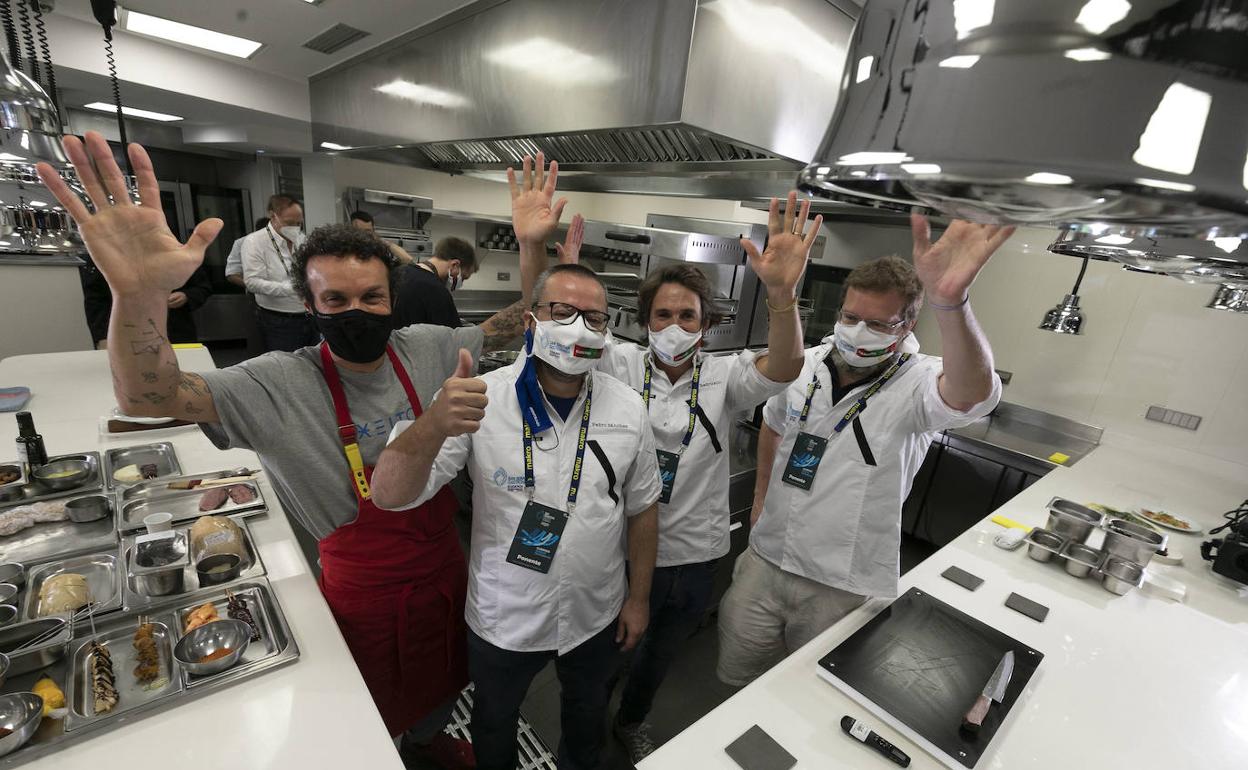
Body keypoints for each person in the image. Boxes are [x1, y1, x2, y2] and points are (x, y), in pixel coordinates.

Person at [36, 132, 569, 769]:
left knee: (445, 678)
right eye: (335, 300)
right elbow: (151, 396)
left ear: (392, 299)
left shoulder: (426, 347)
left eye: (372, 298)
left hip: (442, 565)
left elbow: (527, 319)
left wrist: (533, 246)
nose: (357, 312)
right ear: (309, 305)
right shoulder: (276, 382)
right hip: (359, 588)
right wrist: (141, 294)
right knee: (365, 713)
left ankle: (427, 742)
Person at [372, 263, 662, 770]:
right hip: (506, 615)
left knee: (587, 715)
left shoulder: (628, 407)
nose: (578, 327)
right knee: (494, 721)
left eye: (594, 318)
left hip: (596, 612)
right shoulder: (479, 399)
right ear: (532, 321)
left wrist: (638, 599)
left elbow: (642, 509)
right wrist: (431, 424)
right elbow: (391, 496)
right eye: (563, 311)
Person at [716, 216, 1013, 687]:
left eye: (876, 324)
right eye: (851, 318)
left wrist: (951, 302)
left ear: (907, 324)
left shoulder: (918, 383)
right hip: (766, 560)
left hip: (842, 584)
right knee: (736, 677)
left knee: (814, 693)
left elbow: (972, 393)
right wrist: (758, 504)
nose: (858, 331)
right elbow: (774, 428)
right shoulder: (806, 362)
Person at [586, 193, 823, 763]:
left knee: (660, 654)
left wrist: (782, 296)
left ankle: (631, 719)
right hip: (619, 549)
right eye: (662, 315)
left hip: (695, 555)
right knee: (604, 650)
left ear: (706, 324)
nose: (673, 325)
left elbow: (786, 367)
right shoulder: (618, 363)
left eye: (686, 315)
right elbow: (554, 334)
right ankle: (589, 715)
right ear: (644, 323)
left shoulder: (726, 377)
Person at [241, 194, 319, 352]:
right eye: (289, 223)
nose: (295, 228)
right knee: (287, 367)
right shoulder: (255, 242)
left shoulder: (301, 239)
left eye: (299, 223)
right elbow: (252, 282)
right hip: (279, 320)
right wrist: (292, 288)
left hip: (309, 316)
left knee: (314, 364)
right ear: (272, 215)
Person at [81, 258, 212, 348]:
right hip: (126, 333)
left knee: (184, 377)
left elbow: (202, 287)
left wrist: (186, 295)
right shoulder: (105, 254)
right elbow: (96, 300)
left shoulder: (175, 249)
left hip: (176, 331)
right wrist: (102, 337)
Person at [390, 237, 479, 330]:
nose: (461, 283)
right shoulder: (436, 291)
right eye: (463, 278)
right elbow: (453, 338)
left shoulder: (401, 272)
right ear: (454, 265)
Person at [350, 209, 417, 265]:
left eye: (367, 231)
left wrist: (386, 244)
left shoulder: (379, 250)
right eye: (358, 231)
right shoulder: (345, 251)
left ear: (373, 231)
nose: (362, 235)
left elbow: (407, 259)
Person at [225, 217, 273, 288]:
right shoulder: (241, 243)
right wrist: (256, 287)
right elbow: (232, 274)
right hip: (255, 293)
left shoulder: (286, 241)